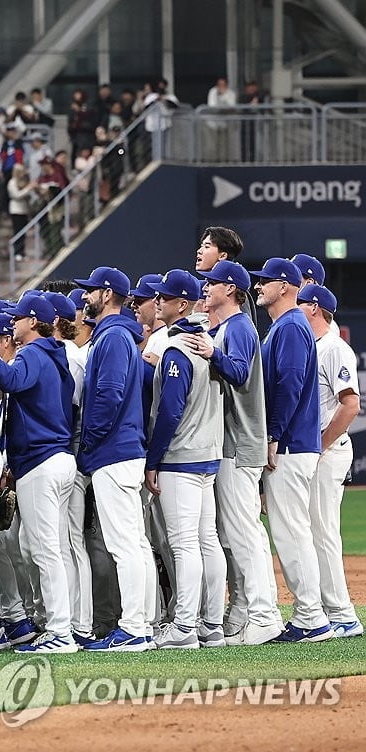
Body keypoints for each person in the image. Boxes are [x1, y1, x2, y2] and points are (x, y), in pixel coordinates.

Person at [183, 260, 282, 646]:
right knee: (241, 533)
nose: (205, 289)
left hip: (239, 443)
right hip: (233, 442)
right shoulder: (224, 327)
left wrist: (212, 353)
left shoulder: (239, 327)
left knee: (243, 533)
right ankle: (252, 612)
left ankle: (264, 615)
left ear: (229, 289)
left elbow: (239, 373)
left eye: (211, 284)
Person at [0, 293, 79, 653]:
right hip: (55, 457)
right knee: (37, 547)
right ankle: (56, 624)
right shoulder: (56, 355)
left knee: (45, 551)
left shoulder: (34, 353)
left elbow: (10, 380)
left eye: (19, 318)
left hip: (42, 460)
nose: (14, 323)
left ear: (33, 320)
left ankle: (61, 631)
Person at [248, 257, 333, 642]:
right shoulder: (286, 325)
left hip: (291, 444)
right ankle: (310, 615)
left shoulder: (293, 325)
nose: (259, 286)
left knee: (292, 532)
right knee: (291, 530)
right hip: (292, 442)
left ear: (285, 286)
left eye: (265, 280)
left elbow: (291, 383)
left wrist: (273, 436)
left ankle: (311, 618)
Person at [143, 271, 225, 650]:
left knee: (184, 546)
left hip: (182, 458)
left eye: (165, 296)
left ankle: (184, 628)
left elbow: (170, 412)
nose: (157, 301)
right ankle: (211, 624)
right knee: (206, 541)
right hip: (208, 455)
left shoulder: (178, 349)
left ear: (182, 304)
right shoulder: (206, 344)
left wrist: (153, 458)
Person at [74, 267, 155, 652]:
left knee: (125, 544)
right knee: (134, 543)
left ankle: (135, 628)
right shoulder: (122, 336)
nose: (85, 296)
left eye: (90, 290)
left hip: (114, 451)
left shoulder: (113, 336)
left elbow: (108, 395)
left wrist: (88, 443)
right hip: (125, 450)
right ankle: (143, 624)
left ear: (107, 294)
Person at [296, 284, 362, 638]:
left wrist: (319, 445)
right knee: (312, 531)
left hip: (329, 450)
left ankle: (343, 614)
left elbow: (351, 404)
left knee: (322, 532)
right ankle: (325, 609)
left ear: (314, 309)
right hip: (317, 450)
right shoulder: (313, 347)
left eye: (300, 302)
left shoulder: (335, 348)